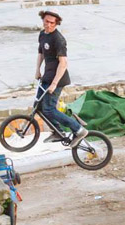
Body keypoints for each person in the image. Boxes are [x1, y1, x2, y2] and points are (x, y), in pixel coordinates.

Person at [35, 10, 88, 145]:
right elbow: (41, 53)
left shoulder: (58, 39)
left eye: (51, 23)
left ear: (56, 24)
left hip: (58, 79)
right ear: (43, 20)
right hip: (47, 77)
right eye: (46, 21)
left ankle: (79, 129)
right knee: (38, 106)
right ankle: (57, 132)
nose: (48, 25)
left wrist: (54, 84)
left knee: (49, 109)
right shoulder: (42, 35)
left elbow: (63, 63)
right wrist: (37, 70)